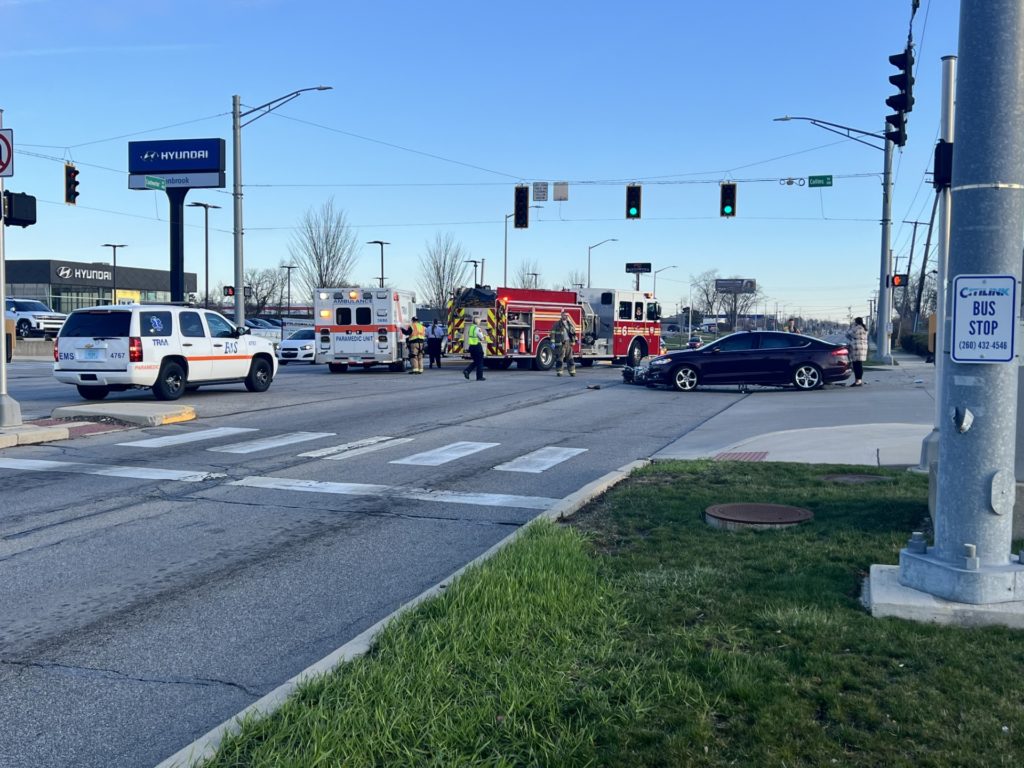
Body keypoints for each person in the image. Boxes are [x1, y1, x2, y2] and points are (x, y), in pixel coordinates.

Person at [550, 309, 577, 377]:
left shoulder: (569, 324)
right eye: (563, 315)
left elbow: (573, 333)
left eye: (566, 315)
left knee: (570, 358)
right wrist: (552, 342)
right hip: (561, 344)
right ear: (561, 315)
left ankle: (572, 371)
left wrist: (575, 340)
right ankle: (559, 372)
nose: (565, 316)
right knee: (560, 358)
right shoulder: (557, 324)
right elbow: (552, 333)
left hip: (569, 343)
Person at [846, 316, 868, 387]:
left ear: (856, 322)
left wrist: (851, 327)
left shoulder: (856, 328)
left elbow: (847, 334)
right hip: (863, 348)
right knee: (859, 364)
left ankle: (858, 381)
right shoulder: (864, 328)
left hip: (856, 347)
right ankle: (859, 380)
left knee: (856, 365)